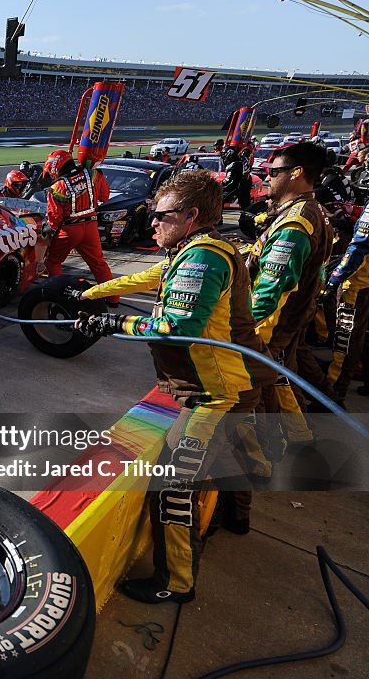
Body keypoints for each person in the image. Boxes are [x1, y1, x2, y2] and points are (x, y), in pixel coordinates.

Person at [73, 170, 277, 604]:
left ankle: (176, 582)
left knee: (171, 486)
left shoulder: (203, 257)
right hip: (232, 386)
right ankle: (236, 520)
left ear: (191, 216)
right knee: (232, 461)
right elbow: (151, 279)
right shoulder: (197, 248)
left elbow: (177, 327)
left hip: (217, 395)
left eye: (160, 216)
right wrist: (93, 293)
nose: (151, 224)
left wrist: (115, 322)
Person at [248, 143, 332, 447]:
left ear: (295, 173)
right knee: (282, 374)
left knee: (258, 386)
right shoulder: (313, 211)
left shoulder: (295, 222)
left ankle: (270, 450)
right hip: (296, 314)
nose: (268, 178)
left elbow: (271, 290)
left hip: (275, 321)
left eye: (273, 172)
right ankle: (300, 436)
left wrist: (243, 329)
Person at [40, 149, 115, 299]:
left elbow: (54, 219)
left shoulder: (56, 188)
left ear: (54, 167)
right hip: (91, 226)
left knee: (52, 262)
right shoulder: (94, 174)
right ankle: (113, 298)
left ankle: (58, 295)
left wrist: (51, 231)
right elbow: (105, 197)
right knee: (99, 264)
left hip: (69, 229)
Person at [321, 201, 369, 406]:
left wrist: (334, 279)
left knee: (345, 339)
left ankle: (334, 393)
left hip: (358, 284)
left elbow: (359, 245)